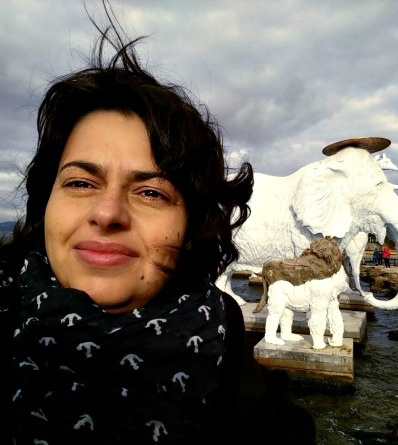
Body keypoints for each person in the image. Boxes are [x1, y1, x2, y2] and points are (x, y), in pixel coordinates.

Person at [0, 4, 316, 445]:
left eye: (151, 193)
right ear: (45, 204)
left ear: (190, 228)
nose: (108, 213)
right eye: (80, 183)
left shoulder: (235, 373)